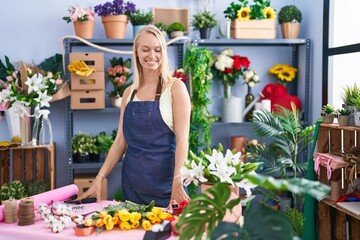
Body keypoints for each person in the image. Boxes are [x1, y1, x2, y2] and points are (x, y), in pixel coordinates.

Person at [79, 25, 191, 208]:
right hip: (132, 186)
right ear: (137, 52)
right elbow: (120, 141)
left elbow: (182, 140)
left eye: (157, 49)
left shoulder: (175, 88)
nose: (152, 55)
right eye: (145, 49)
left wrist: (178, 179)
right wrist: (99, 178)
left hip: (167, 188)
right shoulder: (129, 93)